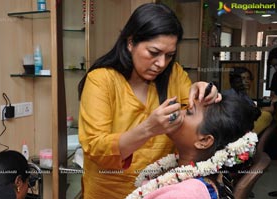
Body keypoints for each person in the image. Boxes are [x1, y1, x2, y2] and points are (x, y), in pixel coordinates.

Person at [78, 3, 221, 198]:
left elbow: (195, 120)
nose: (162, 64)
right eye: (153, 53)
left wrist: (204, 93)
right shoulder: (101, 80)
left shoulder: (174, 75)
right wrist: (148, 129)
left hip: (161, 191)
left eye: (169, 55)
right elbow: (95, 148)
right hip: (109, 192)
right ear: (130, 42)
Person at [126, 93, 260, 199]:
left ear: (204, 141)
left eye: (188, 112)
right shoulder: (185, 178)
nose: (179, 113)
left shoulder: (184, 194)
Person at [222, 67, 274, 134]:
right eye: (242, 78)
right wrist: (261, 111)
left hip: (246, 126)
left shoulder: (244, 95)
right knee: (267, 116)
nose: (246, 81)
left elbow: (252, 108)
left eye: (248, 78)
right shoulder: (229, 95)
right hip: (235, 129)